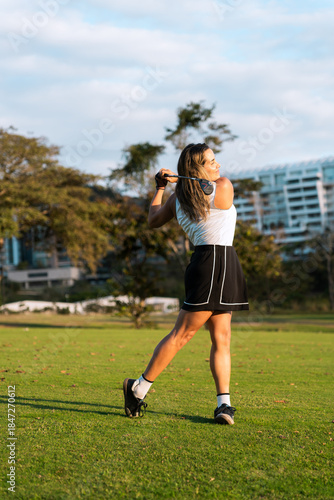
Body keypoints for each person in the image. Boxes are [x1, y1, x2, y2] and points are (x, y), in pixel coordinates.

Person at [123, 143, 249, 425]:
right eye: (211, 162)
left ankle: (224, 405)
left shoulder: (184, 194)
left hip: (223, 262)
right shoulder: (215, 187)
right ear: (197, 169)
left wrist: (165, 186)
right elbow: (153, 221)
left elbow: (157, 216)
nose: (218, 166)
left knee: (222, 337)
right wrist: (164, 187)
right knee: (182, 334)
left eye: (216, 160)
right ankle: (138, 388)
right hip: (212, 262)